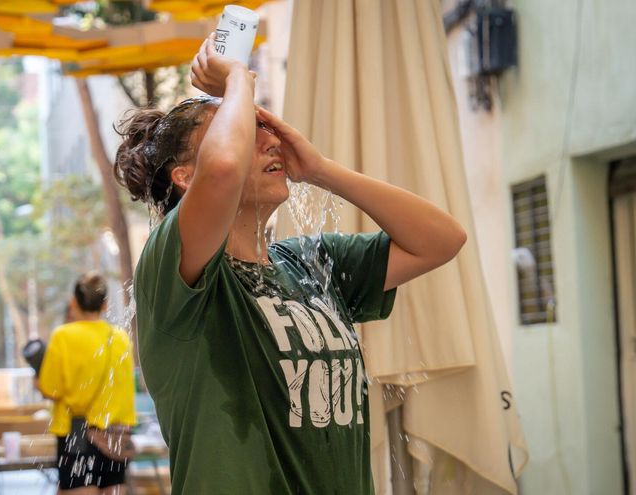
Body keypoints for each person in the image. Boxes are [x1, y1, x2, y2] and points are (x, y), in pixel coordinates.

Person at [112, 34, 468, 494]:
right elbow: (222, 169)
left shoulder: (313, 264)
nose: (267, 141)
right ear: (185, 178)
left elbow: (442, 240)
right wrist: (238, 78)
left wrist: (320, 169)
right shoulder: (175, 270)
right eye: (242, 128)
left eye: (263, 128)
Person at [36, 272, 136, 495]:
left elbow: (51, 389)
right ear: (105, 304)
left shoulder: (63, 336)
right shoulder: (119, 337)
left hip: (77, 434)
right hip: (116, 435)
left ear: (74, 302)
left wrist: (39, 381)